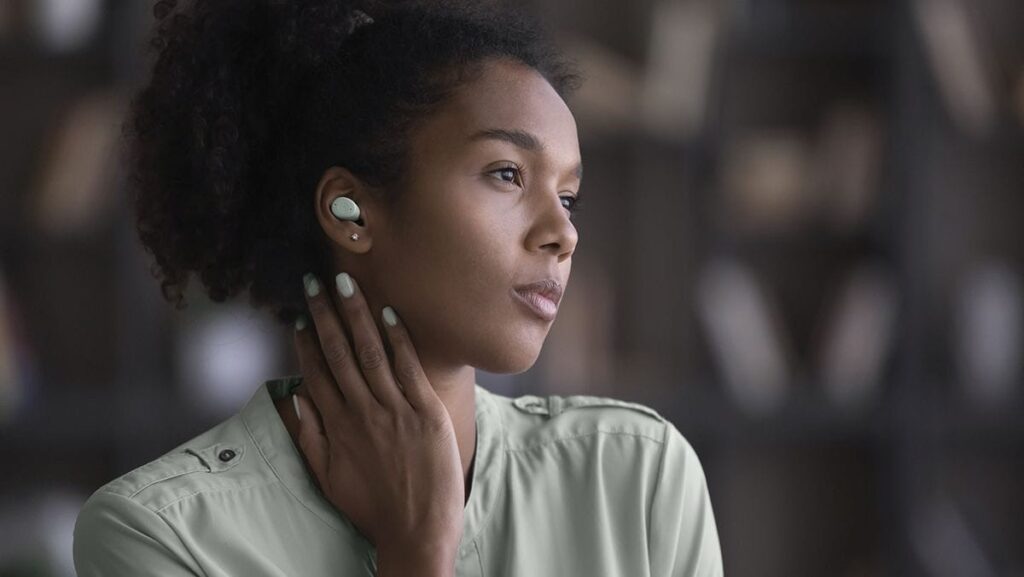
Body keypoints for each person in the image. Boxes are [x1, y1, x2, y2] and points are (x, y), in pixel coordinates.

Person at [72, 0, 724, 575]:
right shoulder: (158, 534)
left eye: (570, 197)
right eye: (506, 173)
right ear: (348, 211)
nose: (563, 233)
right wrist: (419, 551)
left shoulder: (638, 479)